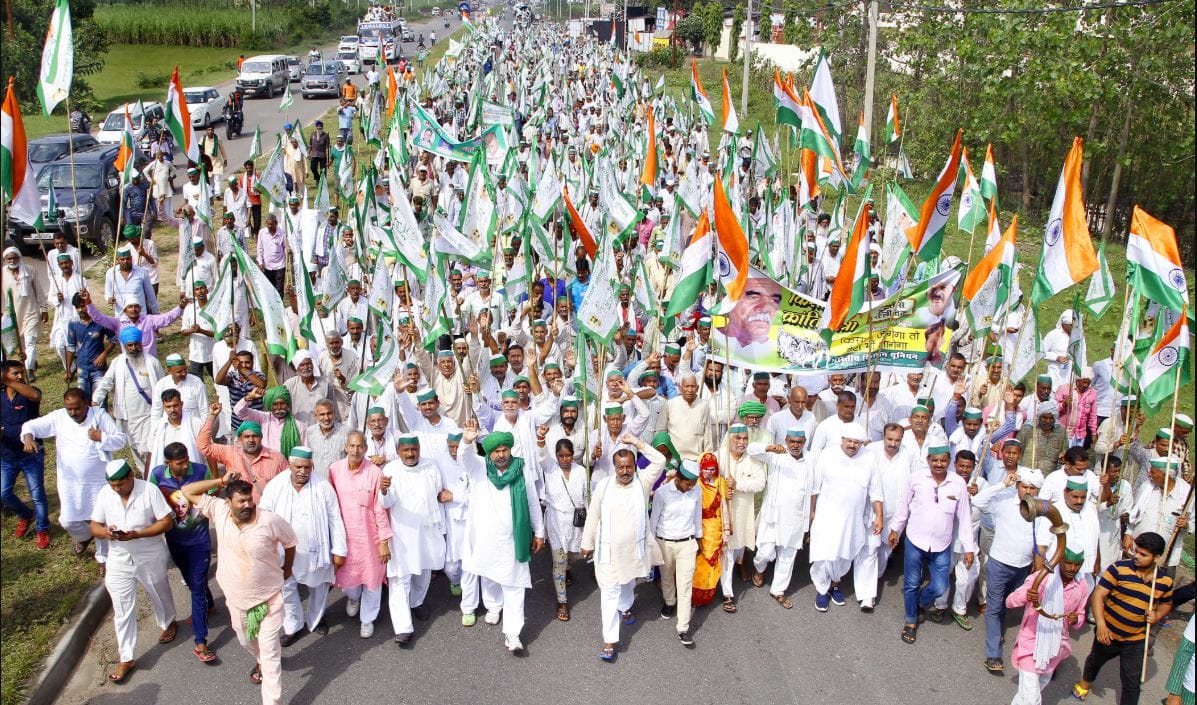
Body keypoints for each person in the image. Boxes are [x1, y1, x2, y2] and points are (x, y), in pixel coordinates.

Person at [182, 472, 297, 705]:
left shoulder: (269, 520)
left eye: (249, 500)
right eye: (240, 501)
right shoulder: (219, 510)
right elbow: (188, 491)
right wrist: (220, 482)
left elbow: (291, 541)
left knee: (271, 654)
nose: (247, 505)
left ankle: (271, 700)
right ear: (228, 502)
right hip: (237, 600)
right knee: (246, 640)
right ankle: (259, 659)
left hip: (270, 599)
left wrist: (287, 569)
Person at [579, 435, 667, 661]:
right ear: (614, 467)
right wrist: (587, 543)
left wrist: (637, 444)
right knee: (609, 593)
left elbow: (659, 461)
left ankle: (626, 607)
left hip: (633, 552)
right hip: (607, 553)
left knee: (628, 582)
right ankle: (610, 640)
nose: (625, 471)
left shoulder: (643, 482)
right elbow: (593, 515)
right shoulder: (603, 486)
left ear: (635, 465)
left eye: (629, 466)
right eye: (621, 467)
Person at [89, 459, 177, 684]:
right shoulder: (105, 494)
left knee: (158, 591)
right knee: (122, 609)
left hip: (149, 555)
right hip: (118, 559)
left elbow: (166, 522)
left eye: (120, 484)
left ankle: (168, 621)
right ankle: (126, 657)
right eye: (112, 485)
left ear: (130, 477)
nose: (116, 489)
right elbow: (94, 525)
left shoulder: (149, 490)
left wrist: (137, 534)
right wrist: (105, 532)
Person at [458, 426, 545, 653]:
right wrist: (467, 441)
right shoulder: (479, 468)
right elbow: (464, 458)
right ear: (488, 454)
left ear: (510, 450)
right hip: (486, 538)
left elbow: (533, 501)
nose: (501, 455)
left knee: (515, 584)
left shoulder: (521, 468)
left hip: (513, 538)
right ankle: (494, 607)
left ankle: (513, 634)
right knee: (489, 575)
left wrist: (539, 532)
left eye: (504, 449)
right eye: (495, 451)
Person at [21, 388, 126, 566]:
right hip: (70, 482)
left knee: (100, 519)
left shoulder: (99, 416)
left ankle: (103, 559)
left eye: (77, 408)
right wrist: (29, 439)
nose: (73, 413)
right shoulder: (59, 417)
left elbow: (121, 440)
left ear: (86, 403)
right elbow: (30, 426)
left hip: (98, 480)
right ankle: (84, 538)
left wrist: (101, 437)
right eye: (69, 408)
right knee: (68, 520)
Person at [1072, 532, 1174, 705]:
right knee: (1095, 661)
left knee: (1132, 682)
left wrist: (1157, 615)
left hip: (1136, 639)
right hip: (1108, 633)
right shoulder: (1119, 568)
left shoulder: (1164, 581)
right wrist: (1101, 625)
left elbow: (1166, 604)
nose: (1136, 556)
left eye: (1143, 555)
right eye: (1136, 551)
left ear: (1156, 557)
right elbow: (1098, 596)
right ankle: (1084, 683)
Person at [889, 445, 977, 644]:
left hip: (941, 545)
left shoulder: (958, 484)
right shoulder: (916, 478)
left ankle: (918, 602)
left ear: (949, 461)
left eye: (943, 460)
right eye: (935, 460)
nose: (939, 464)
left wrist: (969, 549)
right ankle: (911, 621)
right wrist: (895, 529)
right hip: (915, 540)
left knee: (940, 586)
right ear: (928, 460)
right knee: (911, 583)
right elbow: (903, 506)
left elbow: (964, 519)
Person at [259, 446, 347, 646]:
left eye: (307, 467)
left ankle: (316, 620)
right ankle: (293, 625)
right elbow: (264, 515)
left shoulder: (323, 486)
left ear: (312, 466)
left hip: (315, 550)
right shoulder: (276, 485)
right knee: (287, 588)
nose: (302, 471)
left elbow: (336, 519)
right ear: (290, 465)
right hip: (283, 551)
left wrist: (339, 550)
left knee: (318, 587)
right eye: (298, 467)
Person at [147, 441, 217, 662]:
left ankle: (201, 642)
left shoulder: (200, 470)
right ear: (168, 463)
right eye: (180, 463)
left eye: (186, 459)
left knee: (195, 588)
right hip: (175, 541)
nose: (185, 465)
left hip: (200, 541)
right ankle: (210, 603)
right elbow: (151, 502)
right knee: (191, 579)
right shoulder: (157, 476)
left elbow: (213, 493)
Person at [379, 434, 448, 646]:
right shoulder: (390, 470)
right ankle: (403, 628)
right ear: (398, 451)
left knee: (424, 571)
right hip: (402, 534)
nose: (410, 454)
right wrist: (384, 490)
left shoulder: (431, 467)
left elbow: (437, 492)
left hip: (427, 530)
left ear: (419, 449)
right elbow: (386, 503)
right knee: (400, 578)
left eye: (413, 449)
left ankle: (417, 601)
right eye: (405, 450)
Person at [808, 422, 882, 612]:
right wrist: (811, 511)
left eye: (857, 442)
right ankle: (822, 590)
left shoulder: (870, 458)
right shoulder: (827, 455)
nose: (852, 445)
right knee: (824, 554)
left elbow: (876, 491)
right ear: (842, 440)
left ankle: (834, 585)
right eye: (849, 441)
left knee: (844, 555)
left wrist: (879, 516)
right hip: (827, 515)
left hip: (852, 519)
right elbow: (815, 487)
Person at [1005, 549, 1090, 705]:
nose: (1072, 568)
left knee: (1029, 694)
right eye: (1068, 563)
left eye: (1076, 565)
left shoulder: (1082, 585)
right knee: (1032, 699)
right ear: (1059, 561)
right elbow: (1010, 601)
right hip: (1031, 643)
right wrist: (1027, 595)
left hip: (1055, 647)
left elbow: (1081, 614)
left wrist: (1076, 619)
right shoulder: (1042, 578)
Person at [328, 432, 392, 639]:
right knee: (349, 583)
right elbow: (329, 504)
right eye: (351, 446)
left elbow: (380, 509)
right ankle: (354, 599)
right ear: (346, 447)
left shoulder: (374, 472)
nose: (355, 451)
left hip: (369, 539)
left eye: (360, 447)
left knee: (372, 581)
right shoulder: (335, 470)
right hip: (344, 538)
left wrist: (383, 541)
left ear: (366, 448)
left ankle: (368, 619)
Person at [748, 430, 817, 609]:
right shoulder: (776, 455)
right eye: (792, 441)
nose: (795, 445)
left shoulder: (811, 459)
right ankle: (760, 569)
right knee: (764, 552)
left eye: (799, 442)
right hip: (773, 515)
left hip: (795, 517)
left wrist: (811, 513)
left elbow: (813, 490)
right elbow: (751, 449)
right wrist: (768, 446)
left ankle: (778, 590)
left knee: (788, 556)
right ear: (786, 441)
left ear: (804, 442)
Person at [537, 435, 587, 622]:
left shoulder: (581, 471)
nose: (565, 460)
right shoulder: (550, 468)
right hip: (556, 521)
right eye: (561, 456)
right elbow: (541, 455)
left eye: (568, 456)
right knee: (559, 560)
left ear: (573, 455)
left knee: (573, 556)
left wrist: (590, 523)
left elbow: (586, 497)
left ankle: (567, 567)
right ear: (556, 456)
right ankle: (562, 601)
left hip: (575, 523)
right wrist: (541, 439)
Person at [1, 361, 49, 548]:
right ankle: (25, 515)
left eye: (21, 373)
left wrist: (9, 381)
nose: (21, 376)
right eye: (15, 373)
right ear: (5, 374)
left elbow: (35, 395)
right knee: (3, 493)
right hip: (7, 455)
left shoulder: (29, 393)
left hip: (31, 455)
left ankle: (42, 529)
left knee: (37, 494)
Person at [1, 247, 48, 380]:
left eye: (15, 257)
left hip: (30, 311)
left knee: (30, 340)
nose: (12, 260)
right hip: (13, 314)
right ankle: (32, 360)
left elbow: (39, 290)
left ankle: (29, 369)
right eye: (9, 258)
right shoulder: (3, 273)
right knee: (20, 343)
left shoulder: (29, 270)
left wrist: (44, 309)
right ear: (6, 259)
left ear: (19, 257)